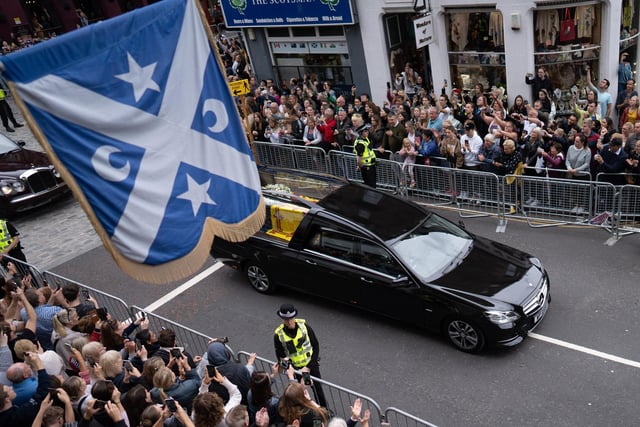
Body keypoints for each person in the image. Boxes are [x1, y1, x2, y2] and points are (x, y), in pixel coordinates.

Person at [273, 304, 326, 408]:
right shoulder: (279, 335)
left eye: (291, 318)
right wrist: (289, 368)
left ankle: (324, 410)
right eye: (286, 319)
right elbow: (280, 357)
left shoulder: (305, 327)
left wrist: (308, 367)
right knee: (301, 392)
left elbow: (316, 347)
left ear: (294, 317)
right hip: (297, 370)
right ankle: (308, 411)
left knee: (317, 390)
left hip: (310, 366)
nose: (289, 322)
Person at [0, 352, 50, 427]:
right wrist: (39, 363)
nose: (11, 387)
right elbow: (44, 390)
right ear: (6, 400)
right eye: (9, 389)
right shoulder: (21, 415)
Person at [353, 124, 377, 188]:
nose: (367, 132)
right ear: (361, 133)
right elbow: (359, 159)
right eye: (365, 131)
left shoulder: (365, 139)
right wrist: (361, 167)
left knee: (373, 185)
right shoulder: (360, 144)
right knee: (370, 186)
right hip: (367, 168)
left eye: (367, 130)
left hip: (371, 166)